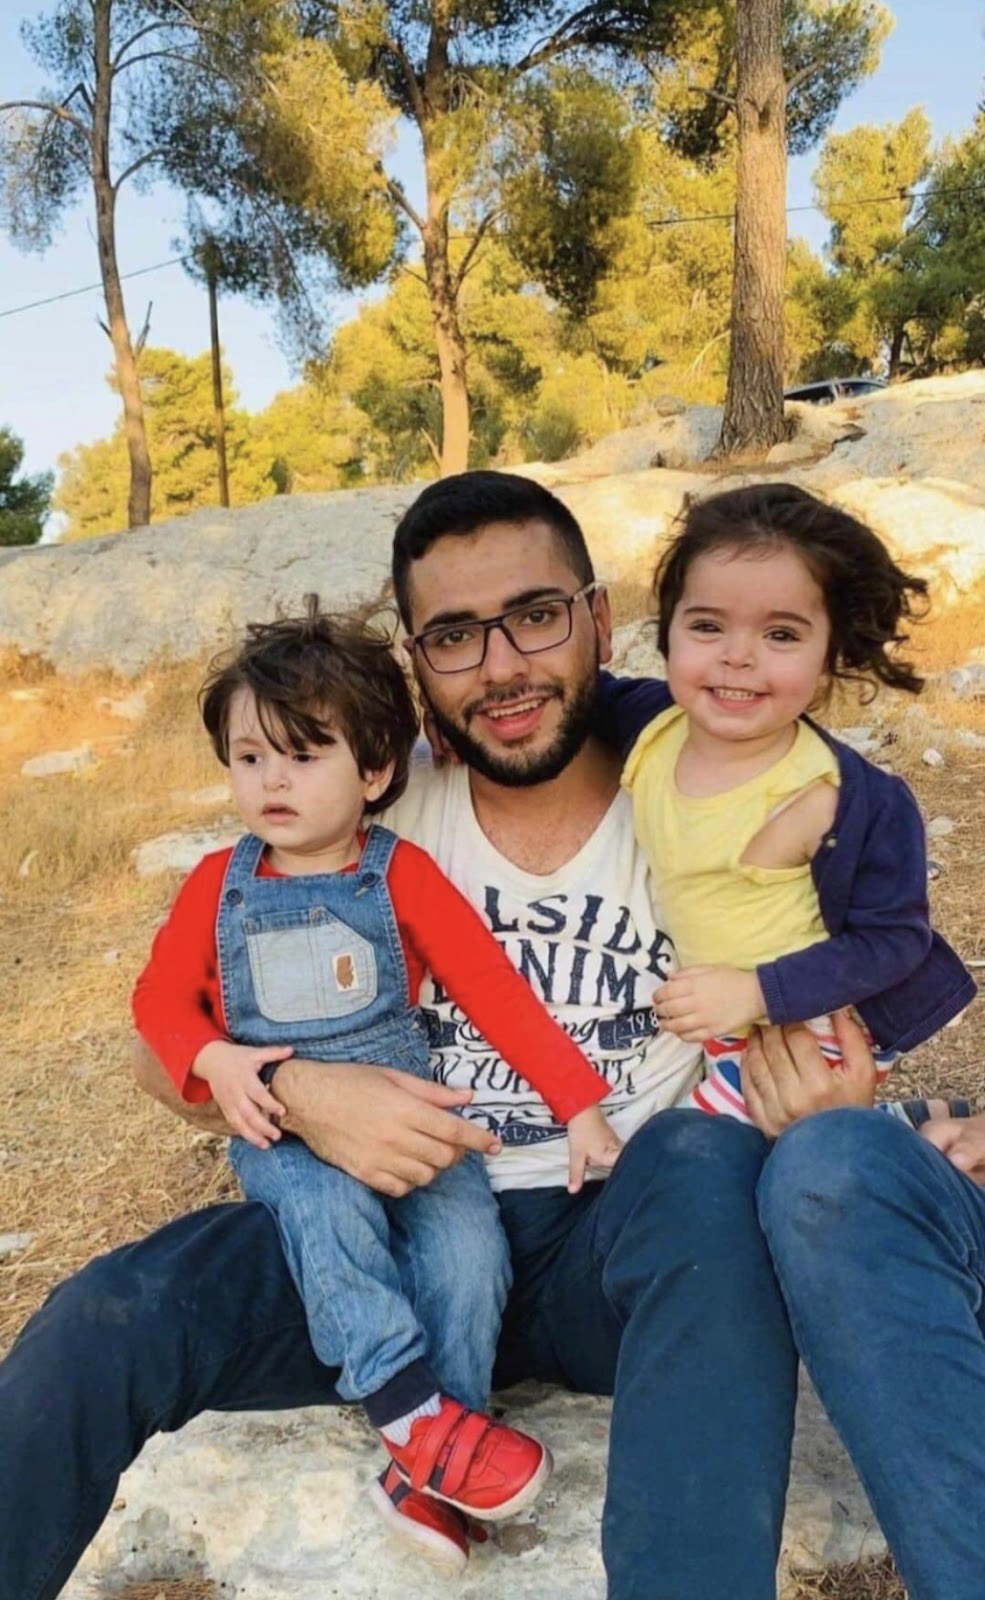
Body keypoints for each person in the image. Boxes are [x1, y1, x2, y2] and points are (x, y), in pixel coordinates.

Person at [0, 470, 981, 1600]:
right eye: (455, 635)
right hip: (385, 1236)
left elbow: (842, 997)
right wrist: (300, 1091)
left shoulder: (708, 792)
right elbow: (155, 1050)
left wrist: (846, 1110)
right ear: (415, 659)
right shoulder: (357, 812)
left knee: (697, 1158)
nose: (501, 664)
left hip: (618, 1244)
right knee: (106, 1318)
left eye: (535, 615)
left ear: (599, 619)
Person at [132, 599, 622, 1565]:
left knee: (468, 1251)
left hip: (411, 1118)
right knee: (332, 1217)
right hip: (286, 1130)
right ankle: (407, 1406)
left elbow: (493, 991)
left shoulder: (400, 874)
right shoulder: (217, 884)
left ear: (374, 769)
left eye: (303, 753)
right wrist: (214, 1058)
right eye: (249, 757)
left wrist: (577, 1104)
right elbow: (157, 999)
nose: (272, 779)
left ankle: (438, 1455)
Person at [603, 482, 975, 1121]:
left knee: (690, 1146)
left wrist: (757, 992)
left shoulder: (846, 799)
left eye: (780, 634)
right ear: (667, 633)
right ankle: (908, 1126)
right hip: (719, 1018)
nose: (737, 657)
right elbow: (568, 701)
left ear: (829, 654)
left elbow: (893, 941)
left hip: (813, 1025)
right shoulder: (651, 724)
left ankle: (886, 1142)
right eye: (707, 626)